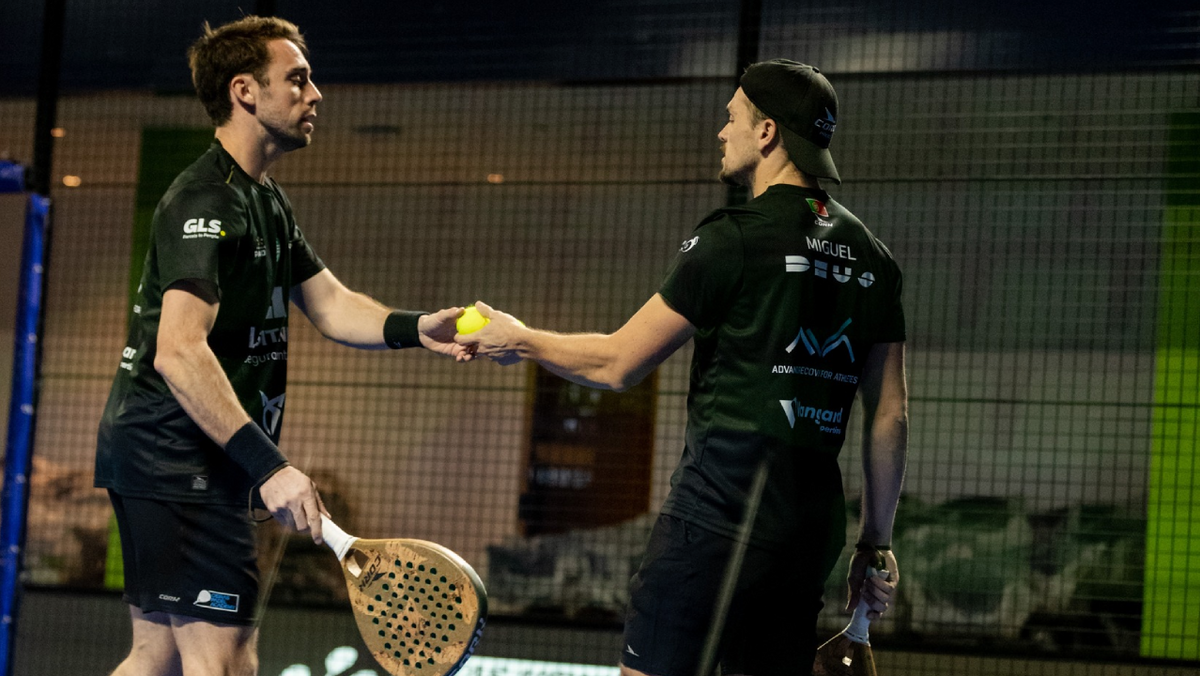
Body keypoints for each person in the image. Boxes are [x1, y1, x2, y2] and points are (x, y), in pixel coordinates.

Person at [457, 59, 908, 676]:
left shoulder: (734, 237)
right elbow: (890, 414)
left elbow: (618, 364)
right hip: (805, 540)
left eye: (732, 118)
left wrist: (521, 339)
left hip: (711, 525)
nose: (722, 132)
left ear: (767, 132)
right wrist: (875, 543)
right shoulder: (875, 258)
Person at [93, 16, 469, 676]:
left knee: (159, 656)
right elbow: (178, 350)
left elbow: (332, 305)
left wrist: (417, 328)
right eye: (297, 79)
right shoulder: (204, 200)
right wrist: (268, 467)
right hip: (178, 460)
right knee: (226, 660)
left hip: (175, 460)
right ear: (244, 91)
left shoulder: (265, 199)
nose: (314, 93)